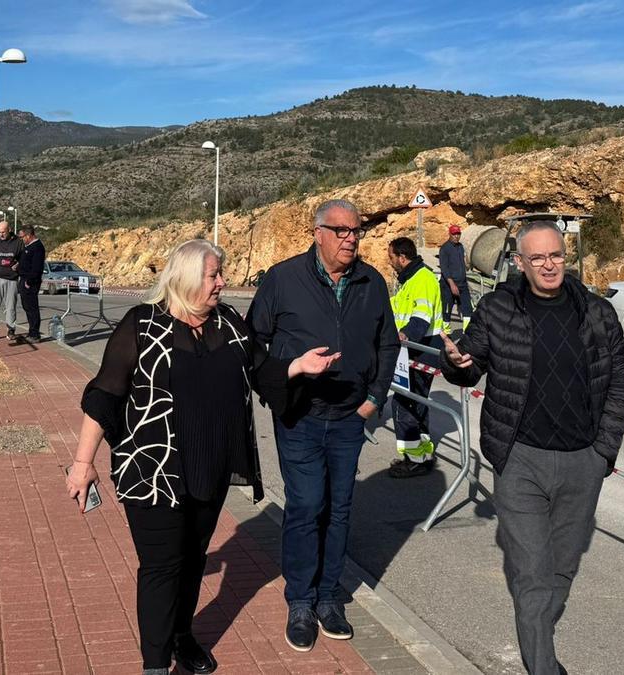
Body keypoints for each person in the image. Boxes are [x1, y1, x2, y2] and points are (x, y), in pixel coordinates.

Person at [67, 239, 339, 675]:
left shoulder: (229, 321)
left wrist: (297, 367)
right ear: (189, 277)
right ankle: (155, 665)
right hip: (154, 469)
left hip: (209, 469)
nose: (222, 282)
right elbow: (104, 396)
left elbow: (261, 369)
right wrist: (83, 464)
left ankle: (182, 637)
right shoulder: (142, 325)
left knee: (193, 560)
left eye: (220, 274)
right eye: (214, 275)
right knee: (161, 567)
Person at [439, 219, 624, 675]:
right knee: (531, 577)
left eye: (557, 256)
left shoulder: (598, 313)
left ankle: (539, 643)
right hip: (520, 459)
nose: (549, 266)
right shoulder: (497, 308)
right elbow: (470, 366)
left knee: (561, 572)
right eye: (538, 258)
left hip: (581, 463)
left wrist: (602, 452)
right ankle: (543, 667)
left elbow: (621, 386)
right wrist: (456, 364)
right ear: (520, 263)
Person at [246, 199, 399, 652]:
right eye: (342, 230)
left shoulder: (371, 282)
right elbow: (254, 342)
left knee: (340, 507)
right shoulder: (283, 278)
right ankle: (300, 600)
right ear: (318, 233)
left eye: (357, 230)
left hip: (351, 416)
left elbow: (387, 344)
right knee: (306, 505)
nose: (351, 238)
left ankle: (330, 597)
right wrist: (287, 372)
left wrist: (374, 400)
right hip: (300, 416)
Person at [386, 236, 444, 478]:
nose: (389, 263)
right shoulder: (410, 280)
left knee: (406, 404)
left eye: (391, 258)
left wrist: (403, 335)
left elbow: (420, 320)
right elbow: (397, 309)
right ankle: (421, 455)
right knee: (415, 403)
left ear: (402, 257)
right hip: (413, 350)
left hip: (422, 350)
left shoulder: (423, 280)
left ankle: (416, 461)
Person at [15, 224, 46, 343]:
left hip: (30, 282)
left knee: (32, 308)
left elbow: (36, 268)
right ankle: (31, 332)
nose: (22, 239)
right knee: (27, 307)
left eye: (22, 237)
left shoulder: (37, 247)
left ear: (28, 235)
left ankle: (35, 334)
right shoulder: (28, 247)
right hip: (24, 279)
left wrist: (29, 281)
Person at [438, 225, 472, 328]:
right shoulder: (444, 248)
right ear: (449, 234)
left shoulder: (460, 246)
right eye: (454, 234)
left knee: (468, 310)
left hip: (462, 284)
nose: (456, 236)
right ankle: (446, 334)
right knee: (447, 310)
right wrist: (452, 285)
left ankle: (467, 333)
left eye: (458, 234)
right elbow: (444, 269)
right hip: (448, 285)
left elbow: (464, 263)